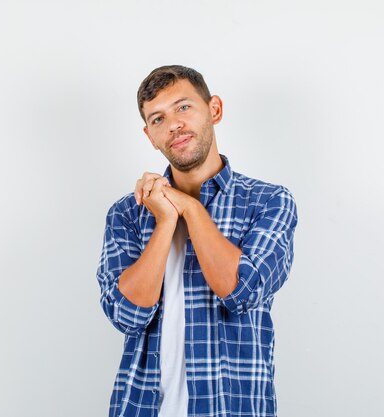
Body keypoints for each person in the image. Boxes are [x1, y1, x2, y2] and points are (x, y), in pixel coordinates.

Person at [96, 65, 298, 417]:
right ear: (149, 136)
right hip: (141, 407)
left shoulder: (269, 202)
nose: (173, 124)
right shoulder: (128, 213)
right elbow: (127, 316)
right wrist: (165, 221)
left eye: (183, 107)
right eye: (157, 119)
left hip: (233, 408)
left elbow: (241, 291)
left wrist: (189, 207)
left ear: (214, 110)